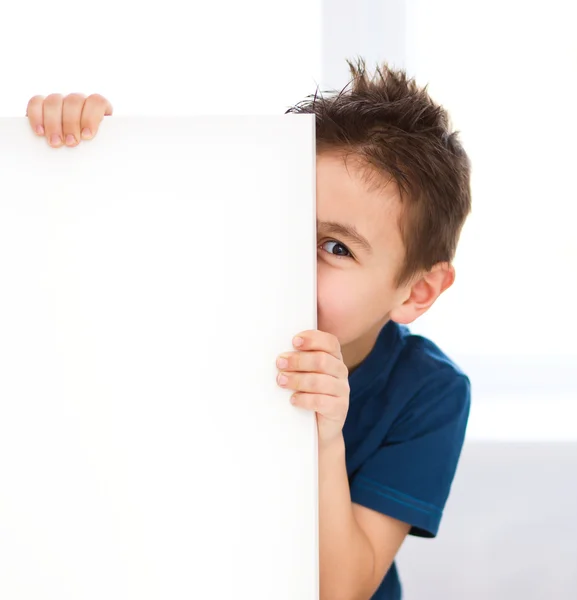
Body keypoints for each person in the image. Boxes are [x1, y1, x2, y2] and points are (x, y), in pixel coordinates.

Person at [25, 58, 472, 600]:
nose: (288, 265)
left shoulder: (428, 391)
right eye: (280, 226)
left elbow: (341, 591)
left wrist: (325, 436)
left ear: (416, 291)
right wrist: (84, 151)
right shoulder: (200, 322)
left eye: (336, 248)